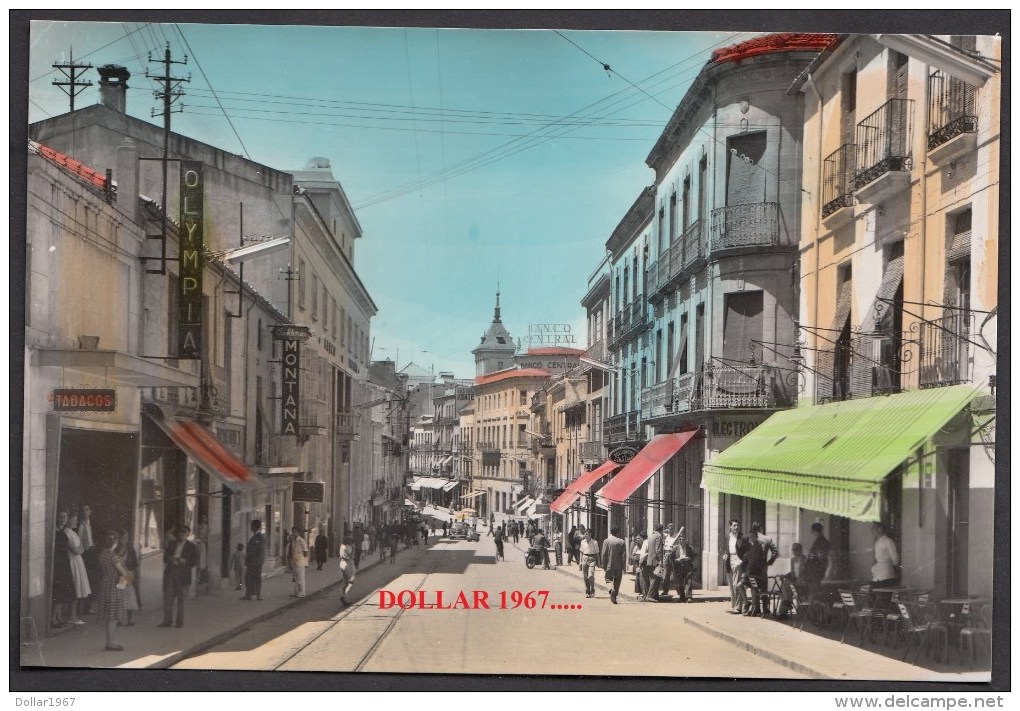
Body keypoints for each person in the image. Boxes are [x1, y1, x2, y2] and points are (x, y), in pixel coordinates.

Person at [96, 530, 129, 651]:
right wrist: (123, 585)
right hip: (114, 585)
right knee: (113, 616)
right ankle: (111, 642)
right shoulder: (112, 555)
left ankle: (110, 641)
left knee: (109, 615)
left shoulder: (103, 554)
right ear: (115, 541)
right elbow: (123, 573)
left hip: (105, 583)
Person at [159, 524, 197, 627]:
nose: (181, 535)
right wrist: (170, 558)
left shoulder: (192, 547)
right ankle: (167, 621)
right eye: (180, 532)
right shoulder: (172, 544)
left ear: (187, 534)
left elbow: (194, 561)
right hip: (171, 573)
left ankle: (179, 622)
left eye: (184, 533)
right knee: (168, 598)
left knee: (181, 600)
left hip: (183, 575)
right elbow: (165, 558)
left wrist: (185, 561)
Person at [739, 522, 777, 616]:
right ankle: (765, 608)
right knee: (763, 587)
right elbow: (775, 552)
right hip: (763, 567)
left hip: (752, 568)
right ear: (761, 528)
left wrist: (746, 562)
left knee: (754, 587)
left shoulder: (750, 538)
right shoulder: (767, 539)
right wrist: (769, 562)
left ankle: (756, 608)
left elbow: (742, 551)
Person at [50, 511, 77, 628]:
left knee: (63, 590)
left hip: (64, 562)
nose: (62, 519)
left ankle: (59, 617)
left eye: (64, 517)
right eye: (60, 517)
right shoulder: (54, 530)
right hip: (58, 563)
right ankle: (53, 618)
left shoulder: (63, 531)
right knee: (59, 591)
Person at [65, 511, 92, 625]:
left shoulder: (73, 533)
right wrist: (79, 549)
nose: (75, 521)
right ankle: (72, 616)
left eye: (76, 520)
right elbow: (77, 550)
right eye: (74, 520)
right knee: (75, 587)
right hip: (73, 561)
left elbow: (82, 548)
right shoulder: (67, 533)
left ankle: (74, 615)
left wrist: (79, 549)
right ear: (69, 520)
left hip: (78, 561)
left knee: (78, 588)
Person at [723, 519, 747, 614]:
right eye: (734, 525)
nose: (736, 527)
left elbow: (746, 551)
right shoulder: (727, 537)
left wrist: (741, 561)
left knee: (736, 584)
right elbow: (726, 548)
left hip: (738, 561)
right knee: (731, 586)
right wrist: (725, 554)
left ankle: (738, 607)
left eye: (737, 525)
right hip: (729, 560)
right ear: (730, 527)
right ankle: (733, 606)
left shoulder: (742, 537)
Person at [117, 530, 140, 625]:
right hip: (119, 575)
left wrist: (136, 575)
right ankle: (120, 619)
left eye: (127, 537)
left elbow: (135, 563)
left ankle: (130, 619)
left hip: (127, 574)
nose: (125, 540)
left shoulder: (130, 549)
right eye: (124, 538)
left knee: (129, 595)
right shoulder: (116, 549)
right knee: (120, 596)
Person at [777, 542, 807, 619]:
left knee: (786, 587)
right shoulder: (792, 560)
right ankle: (786, 605)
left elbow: (807, 573)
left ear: (800, 550)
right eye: (793, 549)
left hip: (803, 583)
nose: (794, 551)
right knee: (785, 583)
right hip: (796, 582)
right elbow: (792, 573)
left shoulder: (805, 559)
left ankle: (784, 611)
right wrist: (785, 576)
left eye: (796, 549)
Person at [601, 527, 627, 604]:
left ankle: (611, 590)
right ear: (618, 533)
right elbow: (624, 555)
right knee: (617, 581)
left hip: (609, 564)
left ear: (611, 532)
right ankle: (614, 596)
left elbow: (604, 554)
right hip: (618, 565)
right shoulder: (622, 542)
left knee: (608, 579)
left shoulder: (606, 541)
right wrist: (623, 567)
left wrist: (604, 564)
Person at [241, 520, 266, 601]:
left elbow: (260, 550)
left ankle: (257, 595)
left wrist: (258, 561)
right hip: (251, 561)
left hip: (256, 562)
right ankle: (249, 595)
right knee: (249, 578)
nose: (251, 528)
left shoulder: (259, 537)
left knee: (256, 578)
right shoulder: (254, 536)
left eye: (252, 526)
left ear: (255, 527)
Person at [870, 522, 900, 587]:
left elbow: (895, 560)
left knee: (884, 595)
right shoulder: (877, 543)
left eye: (874, 528)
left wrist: (888, 564)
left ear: (880, 529)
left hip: (887, 576)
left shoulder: (888, 541)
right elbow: (876, 559)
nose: (872, 530)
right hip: (877, 576)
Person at [672, 527, 697, 602]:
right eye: (680, 539)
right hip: (678, 566)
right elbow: (671, 558)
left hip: (687, 565)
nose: (681, 541)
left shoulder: (689, 548)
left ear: (685, 540)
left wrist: (689, 558)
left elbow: (693, 556)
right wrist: (676, 560)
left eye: (683, 539)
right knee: (680, 582)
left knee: (688, 581)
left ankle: (689, 597)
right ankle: (682, 597)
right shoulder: (675, 548)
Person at [803, 522, 830, 590]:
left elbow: (821, 556)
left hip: (816, 571)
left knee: (815, 591)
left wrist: (810, 555)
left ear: (813, 531)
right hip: (816, 570)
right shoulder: (822, 541)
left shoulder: (820, 542)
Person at [644, 523, 665, 601]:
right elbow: (658, 550)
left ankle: (655, 596)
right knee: (656, 578)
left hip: (650, 560)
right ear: (661, 530)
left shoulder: (651, 536)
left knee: (652, 577)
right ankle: (650, 596)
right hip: (656, 561)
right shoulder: (658, 537)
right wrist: (660, 561)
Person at [579, 529, 601, 598]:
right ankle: (587, 591)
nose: (586, 535)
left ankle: (592, 590)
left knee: (590, 575)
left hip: (592, 559)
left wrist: (599, 562)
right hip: (584, 558)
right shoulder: (583, 542)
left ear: (590, 534)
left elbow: (597, 553)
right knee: (585, 576)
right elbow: (581, 552)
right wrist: (580, 562)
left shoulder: (594, 542)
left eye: (587, 534)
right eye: (585, 534)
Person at [288, 527, 309, 598]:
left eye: (295, 532)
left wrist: (305, 562)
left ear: (298, 532)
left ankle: (302, 592)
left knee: (300, 577)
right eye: (293, 532)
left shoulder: (301, 540)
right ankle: (296, 592)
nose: (293, 533)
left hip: (300, 561)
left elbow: (305, 550)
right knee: (295, 577)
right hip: (294, 561)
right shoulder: (293, 540)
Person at [338, 535, 356, 607]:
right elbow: (351, 556)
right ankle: (343, 596)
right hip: (348, 564)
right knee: (351, 582)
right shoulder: (348, 547)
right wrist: (353, 549)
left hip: (342, 564)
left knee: (346, 582)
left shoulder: (342, 546)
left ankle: (344, 597)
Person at [661, 523, 678, 596]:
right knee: (666, 574)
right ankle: (665, 591)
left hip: (674, 555)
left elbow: (679, 545)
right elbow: (656, 532)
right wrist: (665, 531)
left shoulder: (676, 536)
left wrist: (674, 548)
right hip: (666, 555)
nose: (671, 530)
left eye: (672, 529)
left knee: (676, 574)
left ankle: (679, 590)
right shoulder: (666, 536)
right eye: (669, 529)